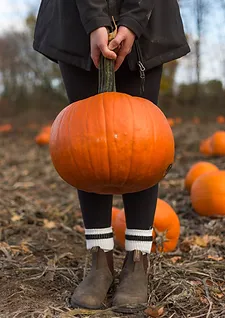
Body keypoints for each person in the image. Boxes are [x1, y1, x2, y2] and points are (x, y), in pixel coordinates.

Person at [33, 0, 190, 312]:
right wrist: (94, 20)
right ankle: (99, 258)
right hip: (76, 17)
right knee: (86, 139)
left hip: (146, 16)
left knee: (143, 140)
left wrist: (132, 21)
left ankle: (137, 258)